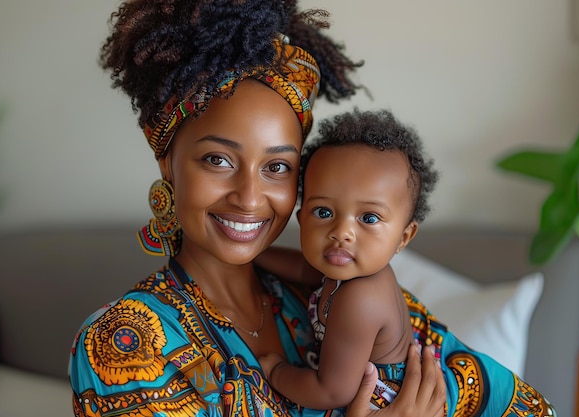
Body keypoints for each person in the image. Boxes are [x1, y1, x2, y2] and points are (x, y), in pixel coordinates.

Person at [68, 1, 446, 416]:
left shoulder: (333, 288)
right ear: (167, 162)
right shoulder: (128, 342)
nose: (249, 198)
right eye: (218, 160)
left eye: (277, 167)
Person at [256, 109, 556, 416]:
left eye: (369, 218)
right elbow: (306, 270)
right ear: (301, 218)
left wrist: (276, 371)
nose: (341, 233)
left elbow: (331, 390)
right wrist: (256, 253)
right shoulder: (344, 270)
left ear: (404, 236)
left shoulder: (359, 298)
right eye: (323, 212)